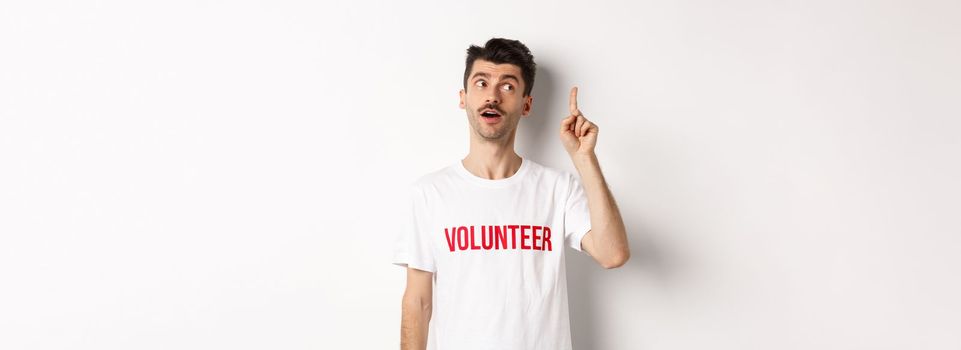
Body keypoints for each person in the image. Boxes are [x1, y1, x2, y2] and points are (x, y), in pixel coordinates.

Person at [392, 37, 630, 350]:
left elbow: (612, 254)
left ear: (526, 104)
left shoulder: (557, 189)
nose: (492, 96)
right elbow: (418, 302)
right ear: (463, 98)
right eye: (481, 83)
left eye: (507, 86)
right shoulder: (430, 193)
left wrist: (584, 158)